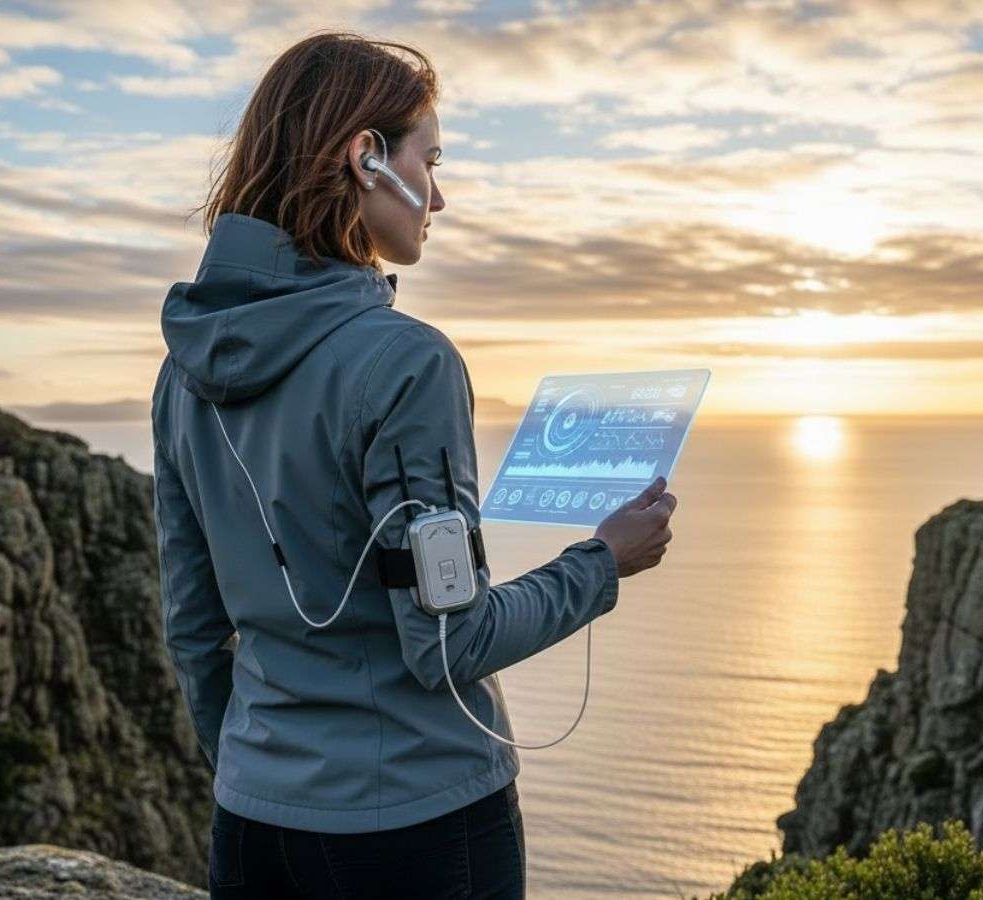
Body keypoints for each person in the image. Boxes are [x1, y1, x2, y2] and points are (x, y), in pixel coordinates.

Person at [150, 30, 678, 899]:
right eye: (430, 160)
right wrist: (603, 562)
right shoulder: (405, 364)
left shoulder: (182, 372)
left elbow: (192, 628)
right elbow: (449, 640)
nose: (440, 197)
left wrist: (254, 772)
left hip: (251, 826)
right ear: (367, 159)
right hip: (415, 830)